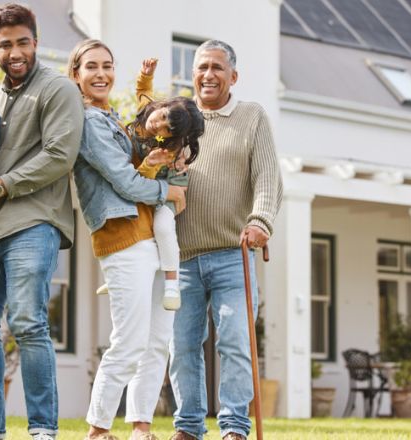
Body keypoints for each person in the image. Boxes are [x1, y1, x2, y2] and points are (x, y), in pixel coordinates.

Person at [0, 4, 85, 440]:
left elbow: (59, 156)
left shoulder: (58, 89)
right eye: (5, 45)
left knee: (27, 322)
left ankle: (43, 428)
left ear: (36, 42)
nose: (15, 51)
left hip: (33, 222)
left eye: (22, 42)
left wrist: (0, 186)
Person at [67, 39, 186, 440]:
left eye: (108, 65)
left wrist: (168, 159)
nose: (101, 73)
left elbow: (146, 129)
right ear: (76, 75)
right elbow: (123, 181)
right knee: (129, 340)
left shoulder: (115, 117)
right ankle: (98, 430)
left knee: (157, 342)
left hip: (152, 234)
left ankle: (140, 427)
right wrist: (168, 192)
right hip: (123, 236)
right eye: (92, 67)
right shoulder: (88, 122)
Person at [168, 40, 283, 440]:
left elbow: (268, 177)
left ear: (233, 76)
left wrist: (260, 221)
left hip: (233, 253)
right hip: (181, 258)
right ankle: (188, 427)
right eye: (202, 67)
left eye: (217, 67)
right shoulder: (178, 118)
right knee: (182, 348)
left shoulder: (251, 117)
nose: (208, 75)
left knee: (234, 341)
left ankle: (234, 427)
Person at [96, 58, 203, 312]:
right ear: (162, 106)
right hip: (151, 181)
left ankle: (172, 284)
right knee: (128, 220)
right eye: (163, 116)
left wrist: (153, 162)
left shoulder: (165, 150)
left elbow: (144, 180)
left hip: (169, 183)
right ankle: (120, 276)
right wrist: (146, 74)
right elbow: (143, 91)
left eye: (166, 130)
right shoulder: (148, 112)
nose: (158, 124)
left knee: (163, 226)